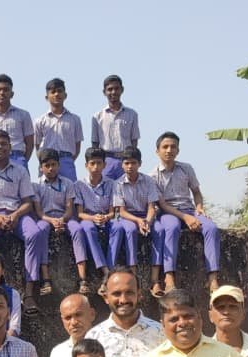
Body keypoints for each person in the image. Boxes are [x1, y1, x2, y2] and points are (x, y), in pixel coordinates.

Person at [152, 131, 222, 292]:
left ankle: (212, 278)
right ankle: (169, 277)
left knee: (211, 228)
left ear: (178, 150)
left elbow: (196, 192)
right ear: (157, 151)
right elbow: (162, 205)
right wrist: (187, 218)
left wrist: (199, 208)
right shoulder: (153, 176)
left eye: (173, 147)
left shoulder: (186, 168)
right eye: (165, 147)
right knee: (171, 228)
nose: (169, 150)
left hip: (189, 209)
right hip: (168, 212)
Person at [112, 147, 165, 286]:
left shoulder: (148, 181)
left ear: (139, 163)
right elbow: (121, 211)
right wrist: (138, 221)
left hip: (146, 215)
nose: (130, 166)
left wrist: (147, 221)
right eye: (127, 163)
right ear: (122, 165)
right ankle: (133, 275)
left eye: (133, 163)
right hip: (128, 217)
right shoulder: (117, 184)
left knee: (159, 230)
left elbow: (151, 207)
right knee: (129, 231)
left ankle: (155, 279)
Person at [73, 147, 119, 292]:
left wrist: (105, 217)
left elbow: (113, 212)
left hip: (106, 218)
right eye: (92, 163)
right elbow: (79, 213)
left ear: (104, 165)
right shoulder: (79, 185)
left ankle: (110, 266)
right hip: (88, 217)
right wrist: (93, 217)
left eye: (99, 163)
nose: (95, 167)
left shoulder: (111, 184)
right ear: (86, 165)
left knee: (118, 227)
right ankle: (104, 269)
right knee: (87, 227)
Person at [33, 150, 78, 295]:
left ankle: (83, 277)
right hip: (45, 219)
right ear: (41, 167)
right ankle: (46, 278)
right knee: (40, 232)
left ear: (58, 165)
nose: (51, 168)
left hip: (64, 217)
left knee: (78, 229)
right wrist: (52, 221)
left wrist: (62, 220)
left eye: (54, 164)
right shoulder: (36, 185)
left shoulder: (67, 183)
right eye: (47, 165)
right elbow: (39, 212)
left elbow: (70, 209)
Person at [91, 75, 141, 180]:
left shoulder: (132, 114)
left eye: (116, 88)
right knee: (105, 192)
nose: (113, 92)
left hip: (125, 160)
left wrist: (131, 160)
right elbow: (95, 143)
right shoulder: (97, 116)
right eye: (110, 89)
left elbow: (134, 140)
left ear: (122, 90)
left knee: (127, 190)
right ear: (104, 92)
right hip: (106, 160)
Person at [34, 77, 83, 181]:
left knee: (70, 192)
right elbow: (37, 146)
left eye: (60, 91)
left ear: (65, 95)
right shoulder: (40, 121)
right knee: (45, 193)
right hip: (47, 162)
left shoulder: (74, 119)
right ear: (47, 97)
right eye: (53, 92)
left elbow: (77, 146)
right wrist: (44, 161)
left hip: (66, 161)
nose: (57, 94)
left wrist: (68, 159)